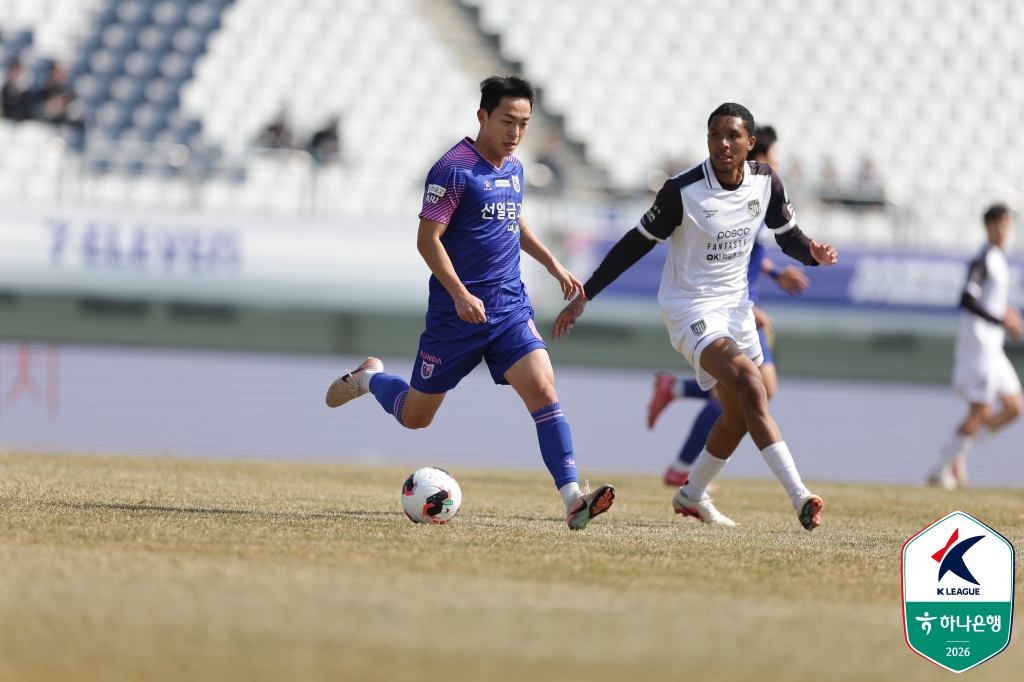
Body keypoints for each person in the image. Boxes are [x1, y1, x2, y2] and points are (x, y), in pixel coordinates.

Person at [325, 75, 615, 530]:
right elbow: (427, 241)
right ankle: (371, 379)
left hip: (508, 310)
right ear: (482, 116)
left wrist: (553, 265)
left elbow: (514, 223)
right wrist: (460, 294)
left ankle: (573, 497)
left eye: (524, 123)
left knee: (544, 390)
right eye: (507, 121)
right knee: (416, 418)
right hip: (454, 317)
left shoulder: (516, 170)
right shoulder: (453, 169)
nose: (515, 132)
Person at [553, 103, 838, 530]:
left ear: (750, 143)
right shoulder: (682, 190)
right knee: (749, 383)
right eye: (714, 135)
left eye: (732, 136)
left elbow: (789, 236)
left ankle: (690, 493)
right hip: (690, 308)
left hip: (737, 307)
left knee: (739, 415)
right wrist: (585, 295)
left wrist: (812, 254)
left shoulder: (765, 182)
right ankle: (800, 496)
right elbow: (636, 242)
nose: (722, 144)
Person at [647, 125, 810, 487]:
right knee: (753, 389)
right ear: (759, 158)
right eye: (774, 157)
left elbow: (750, 253)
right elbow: (719, 258)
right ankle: (685, 469)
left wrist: (776, 273)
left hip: (738, 305)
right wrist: (747, 307)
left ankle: (680, 434)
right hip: (729, 307)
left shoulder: (759, 194)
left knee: (748, 390)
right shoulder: (736, 197)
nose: (777, 165)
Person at [928, 204, 1023, 489]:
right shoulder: (982, 260)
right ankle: (939, 470)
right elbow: (967, 298)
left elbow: (988, 301)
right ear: (990, 226)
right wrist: (1001, 319)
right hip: (979, 344)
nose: (1004, 230)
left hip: (993, 346)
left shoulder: (998, 260)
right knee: (980, 412)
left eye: (1007, 224)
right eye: (1000, 224)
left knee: (1014, 407)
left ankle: (960, 452)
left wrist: (1005, 313)